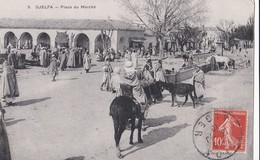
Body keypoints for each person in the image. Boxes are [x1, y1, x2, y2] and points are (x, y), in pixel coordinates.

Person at [122, 61, 148, 126]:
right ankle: (142, 122)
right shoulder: (135, 72)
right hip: (136, 89)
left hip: (126, 90)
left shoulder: (124, 73)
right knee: (143, 101)